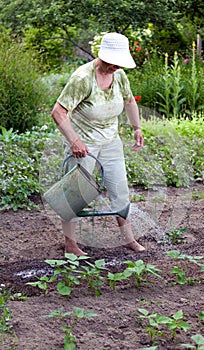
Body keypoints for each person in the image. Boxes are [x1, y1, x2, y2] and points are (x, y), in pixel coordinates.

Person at [51, 32, 145, 256]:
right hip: (86, 144)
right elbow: (58, 112)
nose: (118, 67)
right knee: (75, 194)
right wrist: (75, 140)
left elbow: (129, 100)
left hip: (111, 142)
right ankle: (71, 245)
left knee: (120, 190)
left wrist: (137, 128)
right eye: (115, 63)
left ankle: (129, 239)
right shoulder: (83, 78)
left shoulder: (119, 76)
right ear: (103, 56)